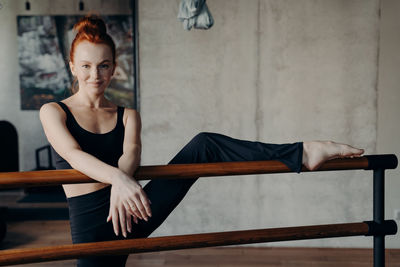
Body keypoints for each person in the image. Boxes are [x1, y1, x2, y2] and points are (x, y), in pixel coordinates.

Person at [39, 15, 364, 267]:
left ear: (113, 69)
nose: (95, 75)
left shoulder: (127, 115)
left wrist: (122, 183)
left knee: (204, 143)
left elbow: (131, 155)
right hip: (92, 224)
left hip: (133, 209)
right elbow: (72, 153)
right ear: (72, 67)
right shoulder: (54, 111)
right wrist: (119, 181)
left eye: (103, 65)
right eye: (86, 66)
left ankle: (303, 152)